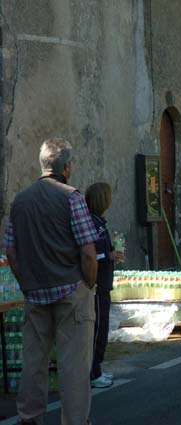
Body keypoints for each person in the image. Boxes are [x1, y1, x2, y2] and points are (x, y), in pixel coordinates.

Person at [3, 138, 98, 425]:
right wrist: (88, 285)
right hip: (71, 290)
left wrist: (25, 281)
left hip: (35, 291)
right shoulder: (72, 197)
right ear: (67, 167)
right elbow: (88, 252)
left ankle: (29, 419)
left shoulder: (20, 200)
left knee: (34, 362)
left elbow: (10, 249)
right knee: (74, 368)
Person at [85, 183, 124, 389]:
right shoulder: (93, 224)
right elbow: (88, 256)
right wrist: (107, 255)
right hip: (97, 285)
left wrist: (111, 255)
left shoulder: (99, 222)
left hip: (103, 284)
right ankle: (92, 373)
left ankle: (96, 369)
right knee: (97, 330)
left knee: (102, 329)